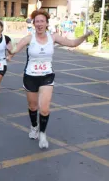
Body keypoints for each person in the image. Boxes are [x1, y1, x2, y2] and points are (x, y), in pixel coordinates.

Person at [7, 9, 93, 149]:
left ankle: (42, 134)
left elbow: (72, 43)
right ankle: (34, 126)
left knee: (45, 109)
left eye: (42, 21)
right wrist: (10, 50)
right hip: (30, 76)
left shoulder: (53, 37)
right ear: (33, 24)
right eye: (37, 21)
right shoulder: (29, 39)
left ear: (47, 23)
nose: (39, 24)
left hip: (47, 76)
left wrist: (85, 35)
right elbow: (15, 50)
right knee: (32, 106)